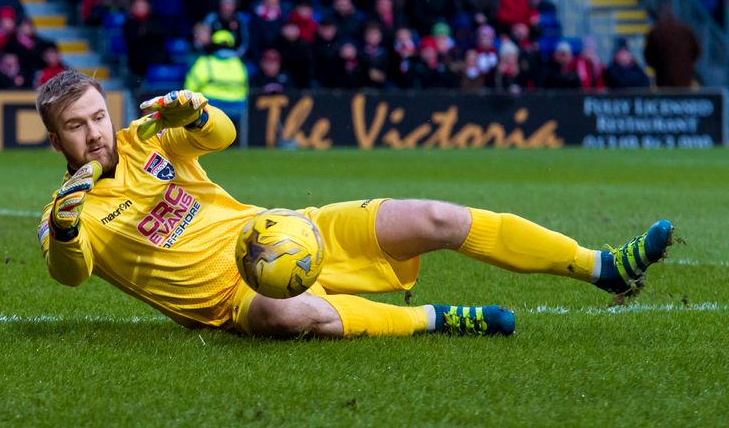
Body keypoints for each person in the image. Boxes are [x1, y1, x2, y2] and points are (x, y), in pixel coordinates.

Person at [36, 70, 674, 338]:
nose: (94, 133)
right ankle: (440, 318)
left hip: (283, 233)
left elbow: (222, 137)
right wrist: (65, 232)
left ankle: (603, 266)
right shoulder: (68, 209)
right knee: (292, 318)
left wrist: (199, 109)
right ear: (56, 136)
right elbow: (71, 272)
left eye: (97, 115)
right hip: (231, 297)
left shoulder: (144, 136)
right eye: (76, 126)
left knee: (437, 218)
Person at [644, 4, 701, 88]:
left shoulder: (655, 32)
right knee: (684, 100)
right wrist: (687, 64)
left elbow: (648, 56)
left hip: (663, 79)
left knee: (667, 99)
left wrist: (658, 65)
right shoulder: (686, 30)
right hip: (684, 79)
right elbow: (697, 50)